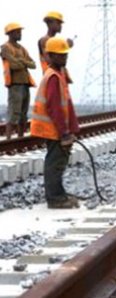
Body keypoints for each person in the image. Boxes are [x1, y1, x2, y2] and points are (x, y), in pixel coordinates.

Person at [30, 37, 80, 209]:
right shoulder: (53, 77)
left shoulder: (58, 75)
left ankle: (59, 193)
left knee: (58, 161)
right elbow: (54, 108)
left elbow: (65, 105)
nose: (64, 58)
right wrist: (64, 133)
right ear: (49, 56)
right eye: (59, 55)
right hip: (53, 129)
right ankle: (55, 199)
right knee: (55, 163)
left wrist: (71, 128)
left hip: (55, 128)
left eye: (65, 55)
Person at [1, 23, 36, 139]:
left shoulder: (22, 49)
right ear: (10, 33)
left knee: (23, 114)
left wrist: (22, 61)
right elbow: (14, 66)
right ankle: (8, 139)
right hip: (15, 85)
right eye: (17, 32)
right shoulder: (6, 47)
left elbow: (33, 64)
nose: (20, 34)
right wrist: (22, 62)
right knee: (13, 113)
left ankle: (20, 139)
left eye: (20, 31)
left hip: (25, 84)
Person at [38, 11, 73, 82]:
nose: (60, 26)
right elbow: (50, 61)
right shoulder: (45, 40)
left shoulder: (54, 41)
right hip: (52, 77)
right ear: (49, 23)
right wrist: (66, 46)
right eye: (58, 23)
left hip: (58, 76)